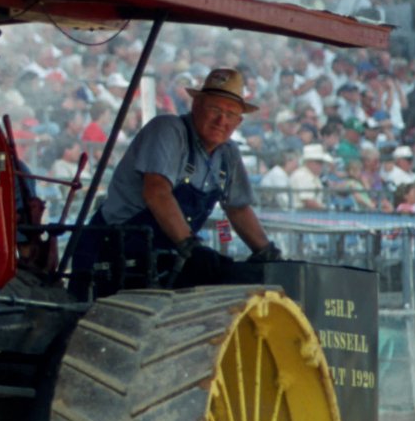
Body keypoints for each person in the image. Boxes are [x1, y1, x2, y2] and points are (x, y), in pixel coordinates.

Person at [77, 67, 280, 294]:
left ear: (238, 122)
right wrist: (190, 247)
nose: (221, 120)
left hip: (162, 259)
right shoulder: (168, 130)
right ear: (196, 106)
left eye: (230, 114)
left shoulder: (228, 153)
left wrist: (268, 254)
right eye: (214, 109)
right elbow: (156, 192)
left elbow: (238, 209)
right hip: (111, 253)